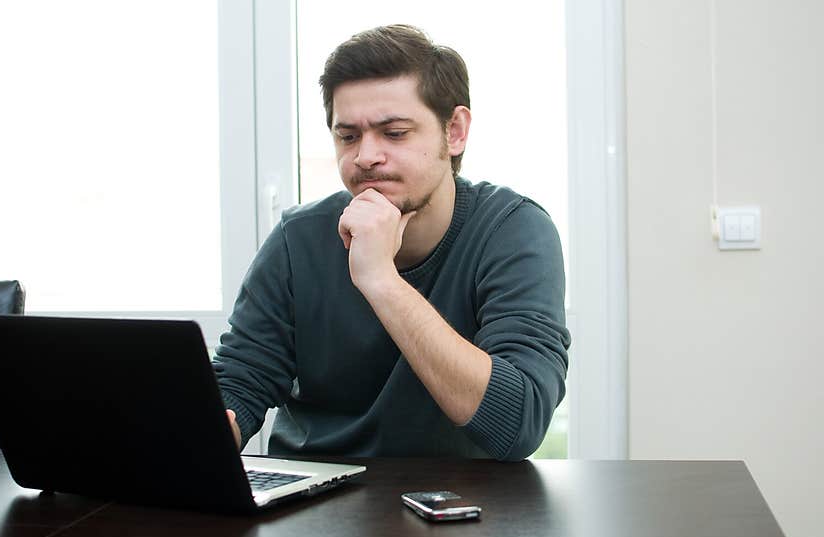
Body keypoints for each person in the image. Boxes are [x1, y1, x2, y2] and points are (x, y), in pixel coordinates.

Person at [213, 24, 570, 461]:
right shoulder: (298, 238)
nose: (365, 156)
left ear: (454, 131)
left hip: (466, 509)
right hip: (317, 503)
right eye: (348, 136)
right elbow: (242, 381)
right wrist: (206, 432)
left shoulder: (512, 230)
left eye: (395, 133)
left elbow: (518, 423)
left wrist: (381, 280)